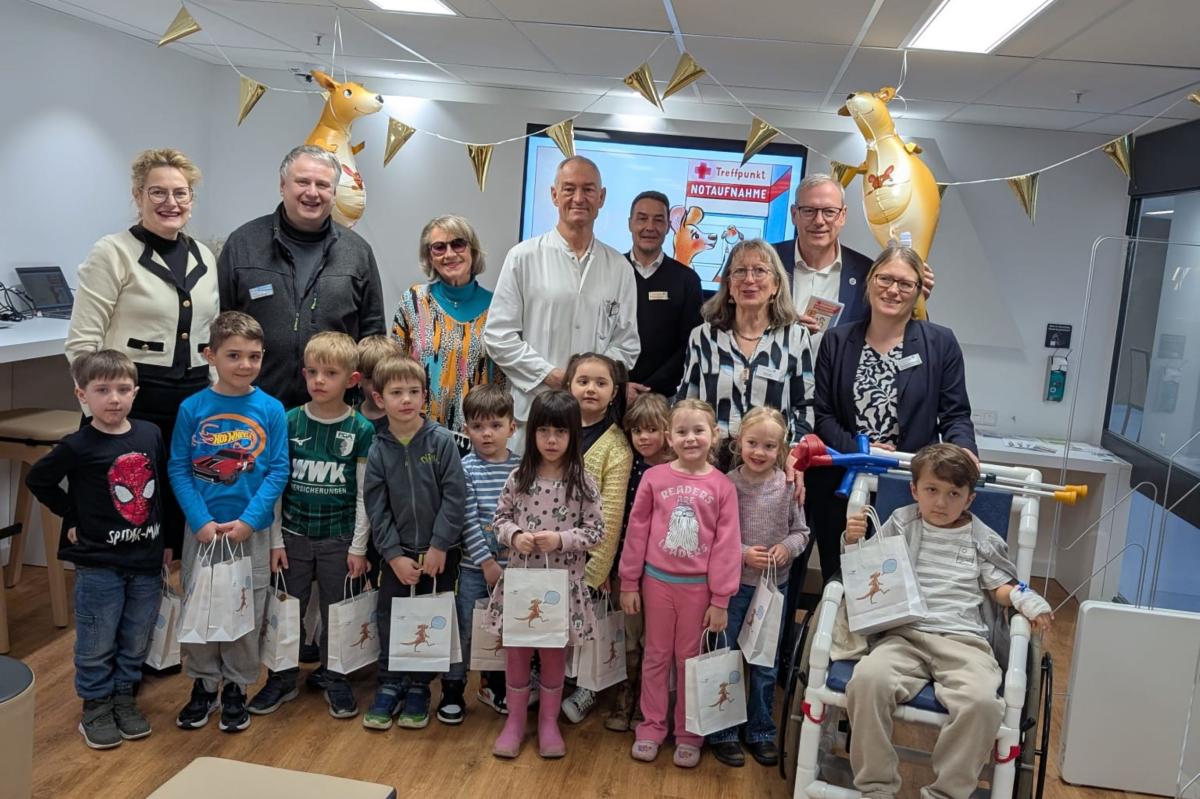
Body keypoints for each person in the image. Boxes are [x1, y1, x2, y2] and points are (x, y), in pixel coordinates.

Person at [842, 444, 1052, 799]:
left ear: (969, 499)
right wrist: (852, 539)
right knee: (867, 681)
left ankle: (945, 793)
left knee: (982, 704)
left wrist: (1022, 597)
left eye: (954, 494)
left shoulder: (981, 539)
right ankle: (875, 787)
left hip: (964, 641)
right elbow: (869, 568)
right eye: (931, 491)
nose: (941, 503)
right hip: (905, 636)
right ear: (915, 491)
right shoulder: (901, 522)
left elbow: (999, 585)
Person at [66, 147, 219, 561]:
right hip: (131, 403)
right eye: (158, 192)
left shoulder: (204, 255)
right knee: (125, 521)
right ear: (137, 195)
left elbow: (210, 337)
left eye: (181, 193)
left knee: (172, 521)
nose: (171, 203)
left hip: (190, 406)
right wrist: (99, 410)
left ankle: (163, 615)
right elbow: (82, 343)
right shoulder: (111, 252)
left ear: (192, 199)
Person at [810, 246, 977, 584]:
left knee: (897, 580)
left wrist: (963, 450)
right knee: (841, 577)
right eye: (885, 279)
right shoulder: (837, 340)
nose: (893, 290)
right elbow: (823, 415)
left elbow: (955, 413)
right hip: (841, 484)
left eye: (905, 283)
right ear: (870, 283)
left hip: (907, 483)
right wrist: (863, 451)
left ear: (918, 292)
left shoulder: (940, 342)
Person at [26, 350, 167, 750]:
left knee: (136, 635)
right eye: (102, 390)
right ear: (82, 395)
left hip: (145, 562)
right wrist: (73, 517)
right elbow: (40, 481)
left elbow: (160, 494)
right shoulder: (77, 445)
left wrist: (166, 542)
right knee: (96, 637)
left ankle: (124, 695)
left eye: (123, 389)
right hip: (98, 564)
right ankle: (96, 704)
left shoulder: (149, 434)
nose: (114, 399)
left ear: (135, 392)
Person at [168, 311, 289, 733]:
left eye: (254, 356)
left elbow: (277, 471)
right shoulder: (193, 407)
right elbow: (179, 468)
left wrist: (251, 521)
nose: (245, 365)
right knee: (199, 606)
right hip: (201, 530)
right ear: (210, 356)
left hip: (247, 532)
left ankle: (236, 687)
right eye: (234, 355)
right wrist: (200, 520)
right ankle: (203, 685)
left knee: (245, 608)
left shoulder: (271, 409)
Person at [249, 332, 375, 719]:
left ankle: (335, 676)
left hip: (339, 539)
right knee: (287, 609)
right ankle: (281, 677)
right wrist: (274, 541)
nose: (319, 380)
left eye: (331, 373)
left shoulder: (361, 430)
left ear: (352, 380)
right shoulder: (288, 421)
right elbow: (276, 488)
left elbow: (362, 496)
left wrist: (358, 547)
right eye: (313, 372)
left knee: (338, 611)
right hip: (292, 537)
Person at [484, 156, 640, 450]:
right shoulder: (523, 257)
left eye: (588, 189)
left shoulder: (619, 268)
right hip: (533, 411)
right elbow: (498, 336)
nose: (578, 198)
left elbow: (627, 344)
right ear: (554, 195)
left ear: (602, 197)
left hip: (593, 422)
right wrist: (551, 374)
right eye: (569, 189)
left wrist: (590, 382)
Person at [619, 399, 741, 769]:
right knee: (655, 656)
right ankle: (652, 726)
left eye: (698, 431)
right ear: (669, 437)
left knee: (690, 660)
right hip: (656, 583)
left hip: (698, 589)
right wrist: (629, 581)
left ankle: (689, 733)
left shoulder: (723, 487)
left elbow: (726, 544)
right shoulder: (654, 479)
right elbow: (636, 531)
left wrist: (720, 598)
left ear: (714, 435)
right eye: (683, 432)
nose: (691, 439)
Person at [217, 144, 385, 409]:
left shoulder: (358, 252)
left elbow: (372, 335)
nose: (312, 192)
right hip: (252, 406)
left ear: (334, 193)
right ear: (282, 185)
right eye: (302, 182)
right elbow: (220, 325)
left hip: (333, 413)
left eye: (323, 184)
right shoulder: (243, 244)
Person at [487, 390, 604, 759]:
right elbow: (499, 521)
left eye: (560, 432)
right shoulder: (518, 478)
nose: (551, 440)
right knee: (517, 655)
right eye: (543, 431)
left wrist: (561, 539)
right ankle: (515, 722)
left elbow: (596, 531)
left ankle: (548, 723)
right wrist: (515, 536)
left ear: (573, 435)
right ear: (532, 433)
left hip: (561, 589)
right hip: (520, 586)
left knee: (554, 658)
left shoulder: (582, 481)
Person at [362, 356, 466, 732]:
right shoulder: (378, 448)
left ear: (425, 394)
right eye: (396, 393)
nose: (406, 399)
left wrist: (439, 546)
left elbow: (455, 498)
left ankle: (420, 687)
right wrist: (391, 555)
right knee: (391, 618)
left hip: (441, 555)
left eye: (413, 391)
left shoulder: (440, 442)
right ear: (379, 398)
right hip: (398, 557)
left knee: (429, 619)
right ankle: (390, 683)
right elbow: (377, 507)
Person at [706, 407, 809, 768]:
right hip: (732, 590)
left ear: (781, 449)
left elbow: (801, 533)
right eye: (752, 443)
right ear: (739, 442)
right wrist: (742, 553)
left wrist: (787, 548)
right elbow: (715, 536)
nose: (759, 452)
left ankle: (761, 730)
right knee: (727, 655)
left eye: (769, 445)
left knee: (763, 664)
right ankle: (723, 731)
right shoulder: (726, 484)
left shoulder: (787, 487)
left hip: (773, 591)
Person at [676, 238, 813, 465]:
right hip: (710, 463)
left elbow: (804, 407)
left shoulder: (796, 337)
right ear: (729, 284)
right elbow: (685, 401)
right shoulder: (703, 336)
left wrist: (794, 456)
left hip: (770, 464)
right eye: (739, 271)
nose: (749, 280)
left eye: (760, 271)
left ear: (776, 285)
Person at [560, 352, 633, 724]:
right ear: (568, 385)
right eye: (583, 381)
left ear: (614, 391)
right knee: (558, 624)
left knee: (589, 624)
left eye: (601, 383)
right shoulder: (554, 430)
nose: (591, 389)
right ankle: (555, 680)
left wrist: (597, 567)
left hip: (589, 559)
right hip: (550, 551)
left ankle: (588, 687)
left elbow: (613, 513)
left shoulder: (616, 446)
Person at [773, 174, 935, 340]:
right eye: (809, 211)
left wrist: (913, 301)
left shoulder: (868, 274)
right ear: (794, 214)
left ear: (843, 215)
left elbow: (896, 334)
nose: (819, 221)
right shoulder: (766, 262)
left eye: (829, 212)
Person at [393, 215, 505, 437]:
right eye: (439, 247)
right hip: (419, 433)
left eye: (458, 244)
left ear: (472, 251)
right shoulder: (413, 301)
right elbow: (394, 369)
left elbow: (504, 381)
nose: (450, 254)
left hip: (479, 436)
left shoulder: (498, 307)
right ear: (429, 257)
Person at [451, 383, 521, 719]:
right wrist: (487, 561)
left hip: (515, 569)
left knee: (506, 631)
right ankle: (453, 688)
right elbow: (466, 520)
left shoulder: (522, 469)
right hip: (474, 568)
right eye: (478, 427)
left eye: (495, 425)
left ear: (512, 427)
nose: (487, 434)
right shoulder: (465, 468)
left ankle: (497, 686)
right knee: (469, 627)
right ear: (466, 430)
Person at [605, 391, 672, 734]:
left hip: (663, 572)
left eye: (651, 430)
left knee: (654, 641)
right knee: (628, 636)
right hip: (625, 566)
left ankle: (650, 705)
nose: (644, 438)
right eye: (637, 431)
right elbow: (616, 519)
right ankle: (624, 695)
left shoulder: (676, 472)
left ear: (667, 432)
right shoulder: (627, 467)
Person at [624, 191, 703, 402]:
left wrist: (648, 389)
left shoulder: (687, 280)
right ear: (630, 223)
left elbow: (689, 343)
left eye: (658, 220)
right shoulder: (612, 271)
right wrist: (618, 386)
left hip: (663, 398)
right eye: (642, 218)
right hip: (613, 393)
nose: (650, 227)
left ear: (669, 227)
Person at [356, 334, 407, 433]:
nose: (381, 385)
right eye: (371, 378)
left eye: (388, 378)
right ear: (358, 379)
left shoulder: (407, 420)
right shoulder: (348, 420)